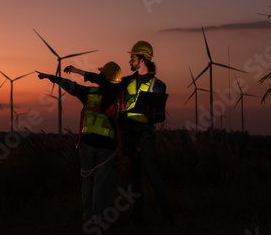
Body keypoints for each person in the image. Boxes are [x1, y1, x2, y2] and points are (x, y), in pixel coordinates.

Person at [65, 41, 174, 225]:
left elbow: (161, 115)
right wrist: (79, 72)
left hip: (145, 137)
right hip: (128, 136)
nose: (129, 60)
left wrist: (152, 115)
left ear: (141, 59)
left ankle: (167, 218)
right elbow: (104, 80)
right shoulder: (127, 81)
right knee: (133, 179)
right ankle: (137, 217)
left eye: (132, 57)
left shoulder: (158, 85)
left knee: (153, 176)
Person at [37, 62, 123, 224]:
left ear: (102, 78)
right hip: (106, 146)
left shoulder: (90, 93)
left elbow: (71, 86)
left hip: (87, 143)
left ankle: (87, 214)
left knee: (87, 179)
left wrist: (51, 78)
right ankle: (98, 216)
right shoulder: (120, 99)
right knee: (100, 181)